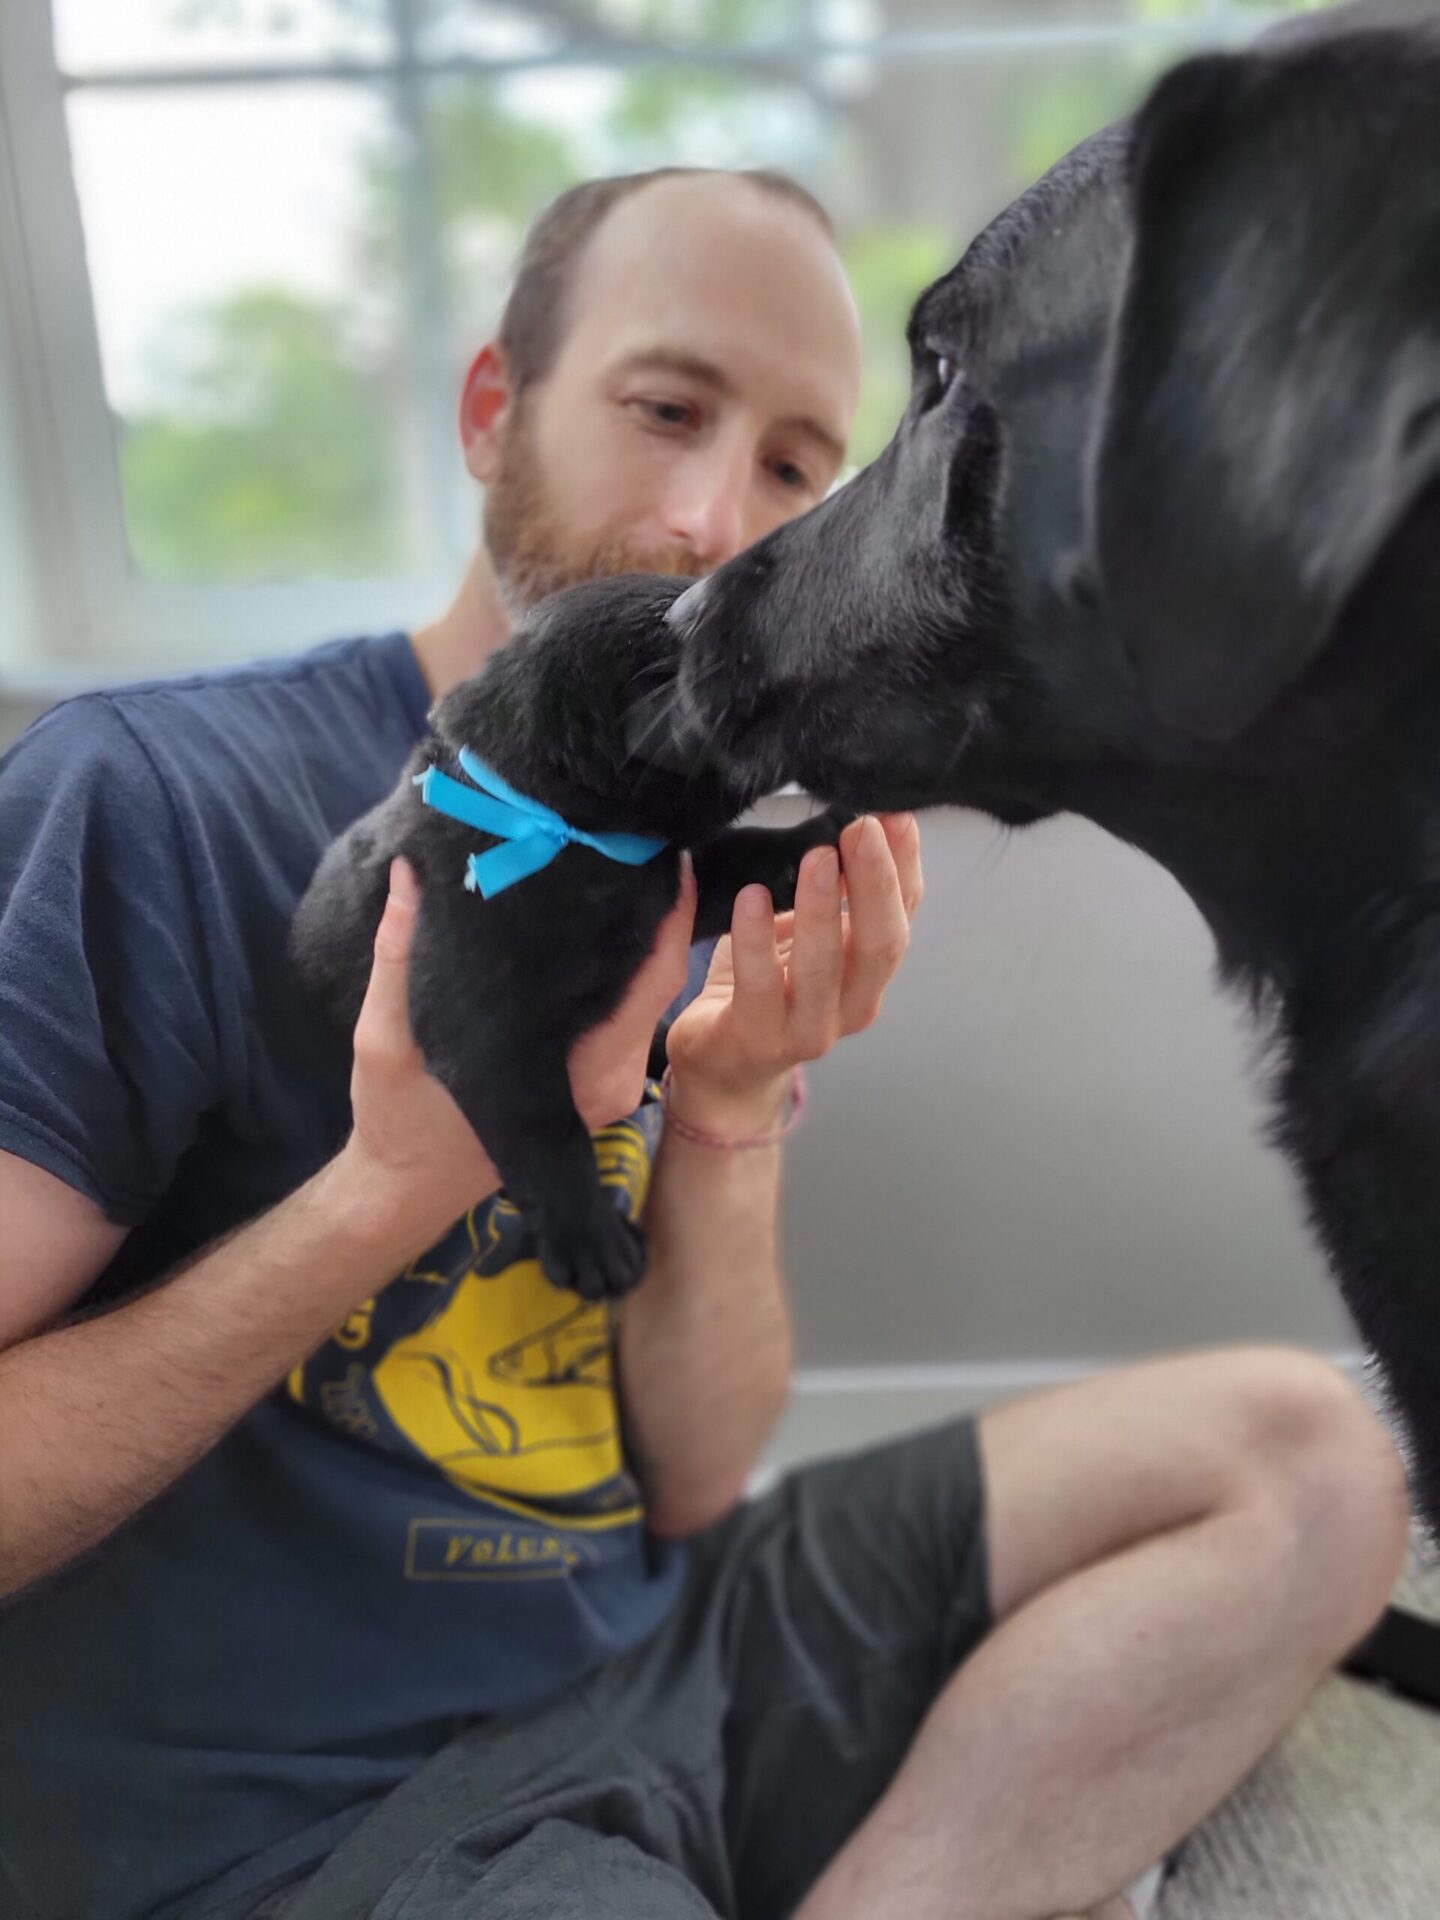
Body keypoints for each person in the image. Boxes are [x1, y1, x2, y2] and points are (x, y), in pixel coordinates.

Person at [0, 166, 1408, 1920]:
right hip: (324, 1815)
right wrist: (381, 1195)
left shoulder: (674, 848)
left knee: (1313, 1458)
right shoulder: (148, 798)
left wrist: (728, 1116)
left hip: (655, 1654)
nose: (705, 519)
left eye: (796, 465)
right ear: (493, 408)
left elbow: (693, 1474)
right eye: (666, 409)